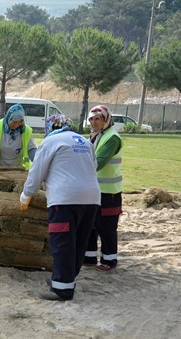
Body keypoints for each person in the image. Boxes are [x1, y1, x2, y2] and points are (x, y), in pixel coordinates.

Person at [20, 114, 100, 301]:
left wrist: (26, 195)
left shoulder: (51, 141)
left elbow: (36, 171)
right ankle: (65, 280)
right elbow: (93, 167)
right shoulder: (85, 141)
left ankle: (62, 289)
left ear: (50, 127)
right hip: (92, 198)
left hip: (65, 199)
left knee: (62, 241)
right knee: (80, 240)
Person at [84, 104, 124, 272]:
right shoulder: (95, 136)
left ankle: (109, 259)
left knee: (106, 226)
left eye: (98, 119)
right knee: (91, 223)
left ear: (106, 119)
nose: (94, 122)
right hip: (95, 189)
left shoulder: (111, 138)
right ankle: (89, 256)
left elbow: (98, 162)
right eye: (91, 119)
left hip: (109, 191)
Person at [0, 103, 36, 173]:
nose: (16, 125)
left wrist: (38, 162)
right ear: (9, 118)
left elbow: (31, 149)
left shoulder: (26, 130)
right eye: (14, 122)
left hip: (17, 169)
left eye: (19, 122)